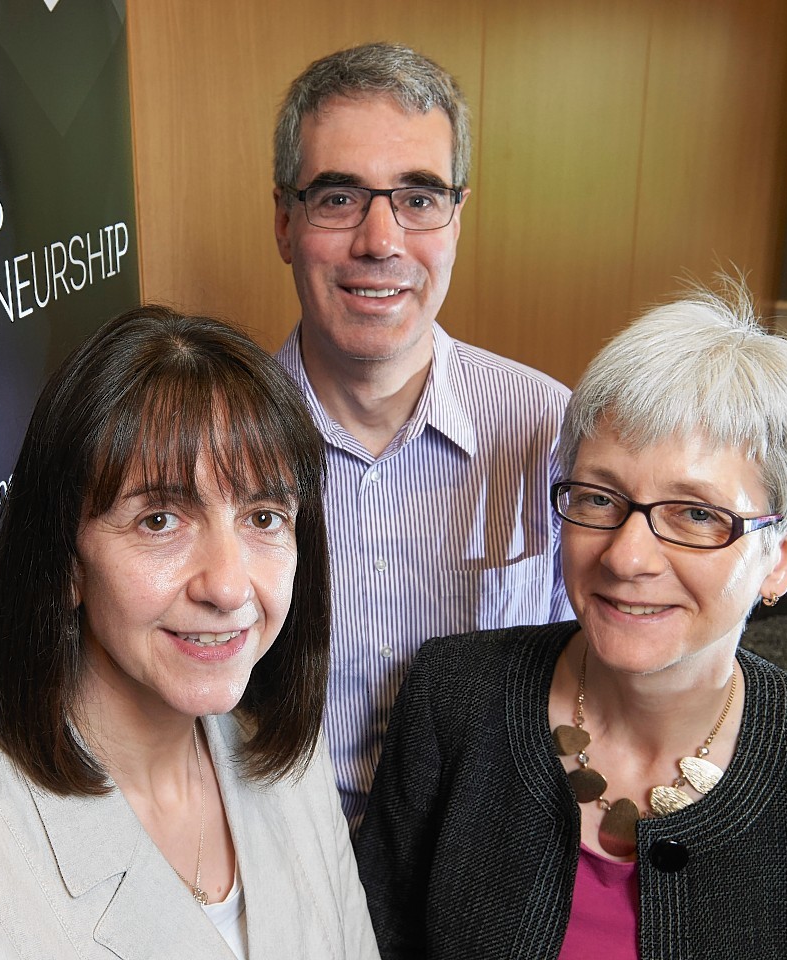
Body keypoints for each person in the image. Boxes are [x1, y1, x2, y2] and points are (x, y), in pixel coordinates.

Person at [354, 285, 787, 958]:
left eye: (696, 513)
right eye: (599, 497)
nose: (626, 556)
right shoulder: (450, 694)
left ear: (783, 556)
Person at [0, 306, 380, 960]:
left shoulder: (289, 764)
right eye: (160, 520)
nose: (228, 585)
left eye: (263, 517)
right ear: (65, 563)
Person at [271, 41, 573, 831]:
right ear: (284, 221)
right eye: (339, 198)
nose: (381, 240)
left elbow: (595, 668)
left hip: (481, 835)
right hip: (282, 843)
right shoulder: (223, 439)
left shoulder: (549, 429)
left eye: (419, 197)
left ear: (456, 219)